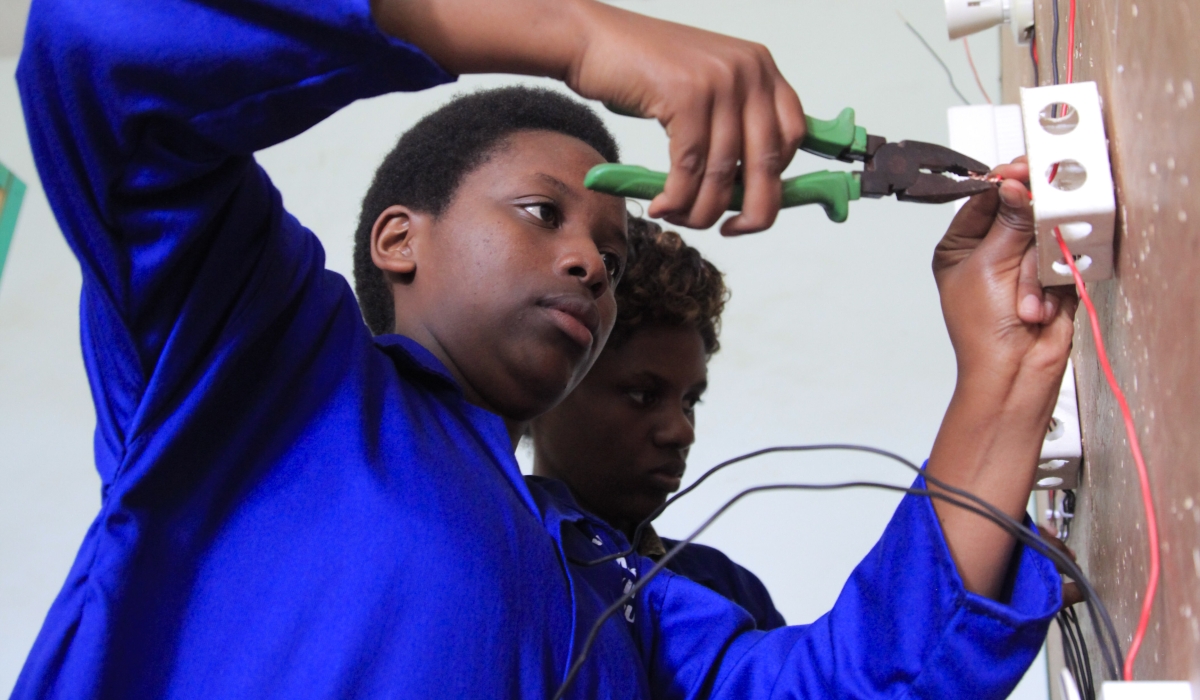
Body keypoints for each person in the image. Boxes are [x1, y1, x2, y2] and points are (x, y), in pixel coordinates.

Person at [13, 0, 1076, 695]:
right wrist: (577, 36)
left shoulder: (618, 586)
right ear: (399, 240)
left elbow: (860, 682)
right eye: (541, 213)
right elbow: (100, 48)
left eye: (612, 264)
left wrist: (1004, 374)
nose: (588, 267)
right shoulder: (262, 368)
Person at [528, 218, 786, 631]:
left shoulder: (729, 593)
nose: (682, 432)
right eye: (643, 395)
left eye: (690, 401)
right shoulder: (494, 560)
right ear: (549, 387)